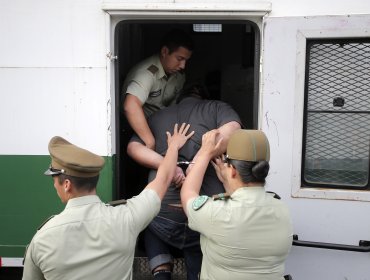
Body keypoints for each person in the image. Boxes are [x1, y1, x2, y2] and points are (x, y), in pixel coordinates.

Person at [22, 123, 194, 280]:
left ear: (67, 185)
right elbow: (163, 179)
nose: (54, 186)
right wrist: (173, 146)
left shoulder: (42, 239)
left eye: (54, 181)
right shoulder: (126, 217)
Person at [127, 84, 242, 280]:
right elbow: (233, 130)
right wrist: (199, 160)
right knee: (198, 241)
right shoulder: (217, 108)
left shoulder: (157, 116)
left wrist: (168, 165)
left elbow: (133, 148)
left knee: (151, 223)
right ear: (203, 97)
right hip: (202, 216)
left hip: (162, 217)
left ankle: (161, 272)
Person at [181, 129, 293, 280]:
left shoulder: (217, 213)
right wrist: (229, 182)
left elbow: (188, 193)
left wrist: (205, 152)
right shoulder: (282, 210)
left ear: (233, 170)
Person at [122, 29, 194, 150]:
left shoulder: (179, 75)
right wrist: (150, 142)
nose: (183, 66)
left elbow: (173, 107)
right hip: (139, 132)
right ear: (165, 51)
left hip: (162, 129)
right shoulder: (147, 74)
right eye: (179, 59)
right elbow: (130, 106)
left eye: (186, 60)